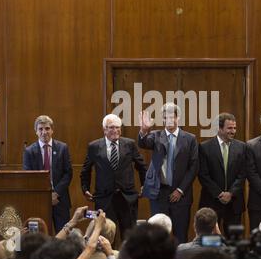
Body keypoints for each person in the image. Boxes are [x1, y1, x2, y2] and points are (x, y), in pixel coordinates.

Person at [138, 102, 199, 243]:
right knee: (157, 236)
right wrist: (143, 131)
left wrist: (180, 190)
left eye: (172, 117)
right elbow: (143, 143)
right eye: (165, 117)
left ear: (178, 118)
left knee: (180, 235)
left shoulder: (190, 139)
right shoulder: (155, 135)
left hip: (181, 195)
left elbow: (194, 167)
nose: (169, 120)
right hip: (159, 193)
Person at [80, 114, 147, 240]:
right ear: (104, 129)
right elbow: (85, 170)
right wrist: (85, 189)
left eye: (118, 127)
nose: (115, 130)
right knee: (104, 236)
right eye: (111, 127)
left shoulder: (130, 144)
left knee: (129, 238)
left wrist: (145, 185)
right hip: (104, 199)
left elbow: (142, 167)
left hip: (127, 198)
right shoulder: (94, 146)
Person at [198, 113, 247, 233]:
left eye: (234, 128)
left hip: (234, 203)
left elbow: (243, 174)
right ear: (219, 128)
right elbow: (203, 175)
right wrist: (219, 194)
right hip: (212, 202)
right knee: (211, 241)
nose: (233, 131)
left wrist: (230, 193)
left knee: (234, 242)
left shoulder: (242, 147)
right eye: (229, 128)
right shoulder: (205, 147)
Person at [23, 115, 73, 233]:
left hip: (60, 200)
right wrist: (45, 196)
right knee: (40, 237)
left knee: (64, 236)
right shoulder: (29, 151)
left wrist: (56, 193)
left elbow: (68, 173)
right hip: (39, 201)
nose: (44, 132)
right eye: (40, 129)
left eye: (47, 128)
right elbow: (28, 177)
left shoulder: (62, 148)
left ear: (52, 130)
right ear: (36, 131)